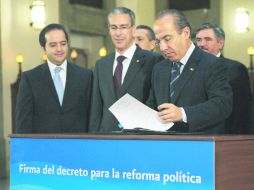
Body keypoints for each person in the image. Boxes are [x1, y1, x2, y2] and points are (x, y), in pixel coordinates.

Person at [146, 9, 232, 134]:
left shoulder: (212, 64)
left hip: (200, 145)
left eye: (168, 39)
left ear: (186, 33)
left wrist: (183, 113)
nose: (163, 47)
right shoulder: (159, 68)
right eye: (159, 42)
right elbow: (152, 105)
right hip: (163, 144)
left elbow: (222, 105)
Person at [89, 7, 163, 133]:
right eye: (114, 27)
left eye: (123, 27)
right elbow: (96, 108)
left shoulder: (153, 61)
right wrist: (93, 139)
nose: (118, 33)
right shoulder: (101, 64)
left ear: (133, 30)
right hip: (106, 138)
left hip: (138, 138)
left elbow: (156, 104)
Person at [15, 23, 92, 133]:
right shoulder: (30, 78)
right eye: (53, 45)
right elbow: (23, 122)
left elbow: (92, 117)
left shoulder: (86, 76)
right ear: (43, 48)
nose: (59, 49)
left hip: (78, 146)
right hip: (43, 147)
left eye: (63, 44)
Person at [195, 23, 252, 134]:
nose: (202, 44)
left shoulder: (235, 69)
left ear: (220, 43)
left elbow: (243, 109)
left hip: (226, 134)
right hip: (196, 134)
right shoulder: (190, 69)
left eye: (207, 39)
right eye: (199, 40)